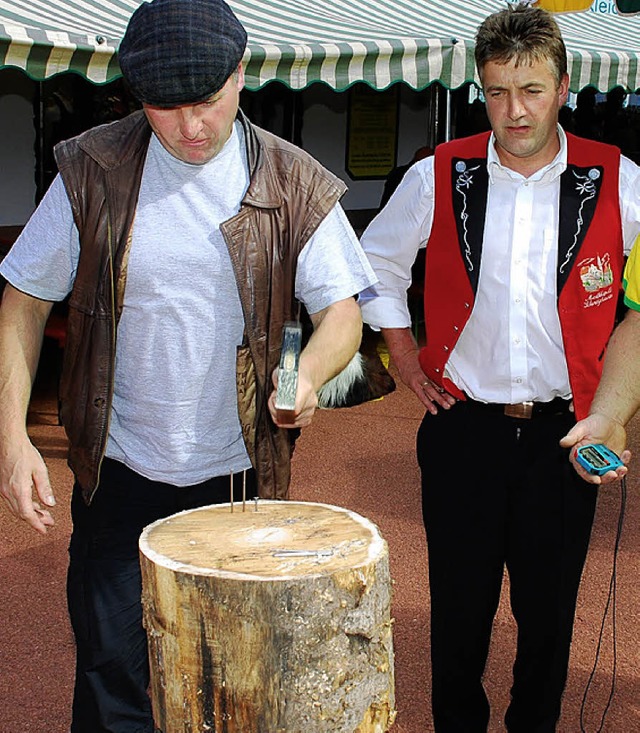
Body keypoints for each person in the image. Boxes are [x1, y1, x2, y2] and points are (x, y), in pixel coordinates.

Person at [0, 0, 377, 730]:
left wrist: (308, 374)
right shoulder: (92, 168)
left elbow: (343, 313)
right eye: (164, 108)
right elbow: (22, 300)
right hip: (117, 474)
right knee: (113, 684)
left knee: (232, 683)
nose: (190, 127)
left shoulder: (292, 179)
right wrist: (13, 436)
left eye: (206, 102)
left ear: (241, 75)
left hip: (237, 480)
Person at [358, 3, 640, 732]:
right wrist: (402, 355)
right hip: (464, 434)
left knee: (547, 625)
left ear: (565, 86)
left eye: (532, 90)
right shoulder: (438, 175)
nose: (514, 111)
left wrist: (612, 408)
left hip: (563, 438)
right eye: (497, 91)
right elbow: (375, 266)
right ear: (481, 87)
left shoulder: (618, 179)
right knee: (458, 617)